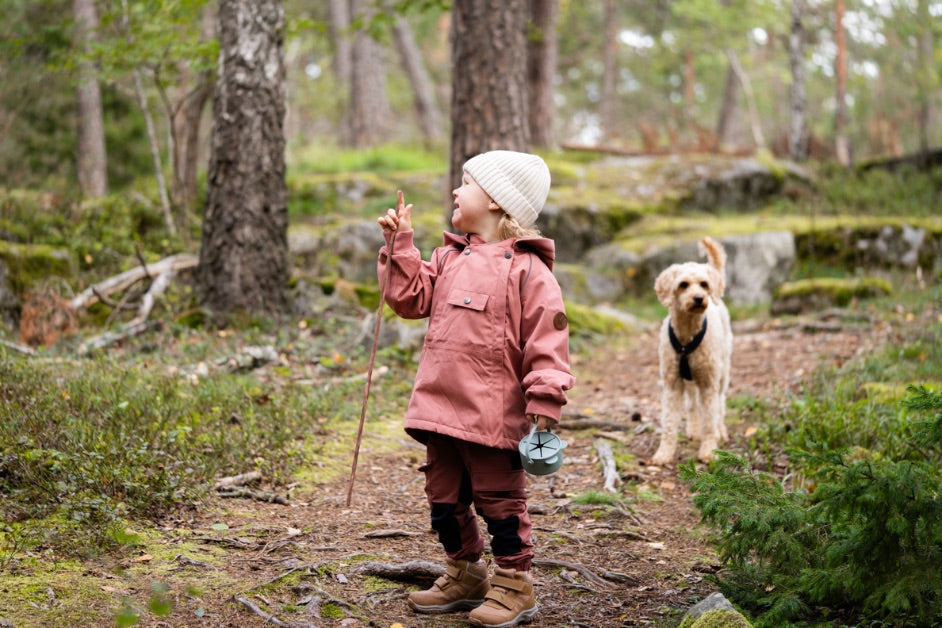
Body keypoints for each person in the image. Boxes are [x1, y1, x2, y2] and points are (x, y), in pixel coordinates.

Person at [376, 150, 575, 627]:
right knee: (443, 499)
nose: (455, 191)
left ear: (497, 203)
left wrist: (545, 399)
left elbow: (549, 343)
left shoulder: (530, 272)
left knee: (500, 501)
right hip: (439, 408)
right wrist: (400, 244)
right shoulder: (446, 258)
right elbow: (408, 298)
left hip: (494, 415)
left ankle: (514, 583)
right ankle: (464, 571)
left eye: (466, 183)